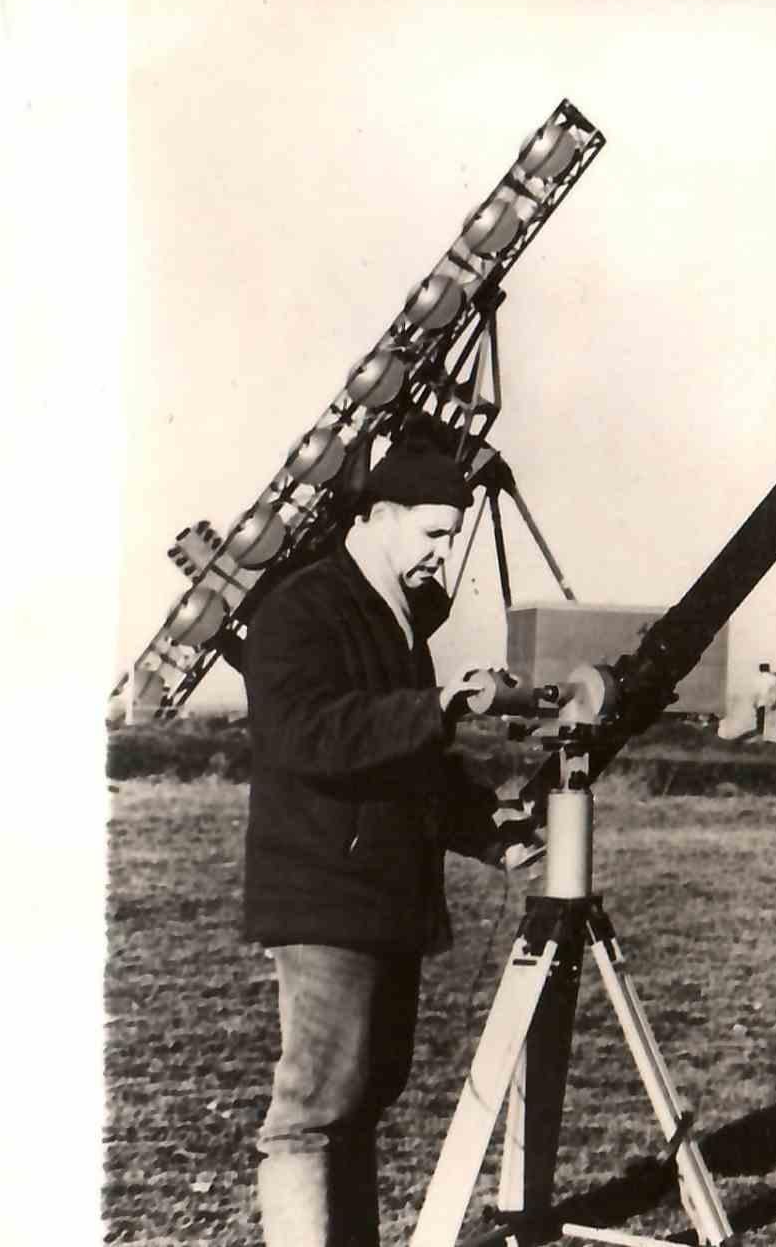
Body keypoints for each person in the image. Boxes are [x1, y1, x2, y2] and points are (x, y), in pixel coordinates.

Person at [242, 432, 542, 1247]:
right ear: (377, 516)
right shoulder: (303, 609)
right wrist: (438, 706)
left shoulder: (392, 617)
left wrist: (492, 830)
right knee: (312, 1113)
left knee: (360, 1104)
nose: (443, 557)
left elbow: (410, 764)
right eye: (434, 535)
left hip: (381, 898)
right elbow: (310, 733)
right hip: (325, 898)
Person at [753, 662, 776, 738]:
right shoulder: (774, 679)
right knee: (770, 724)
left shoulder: (757, 679)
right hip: (770, 704)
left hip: (760, 704)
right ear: (768, 669)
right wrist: (775, 703)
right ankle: (770, 739)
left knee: (760, 724)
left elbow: (756, 693)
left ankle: (760, 740)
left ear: (760, 669)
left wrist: (754, 703)